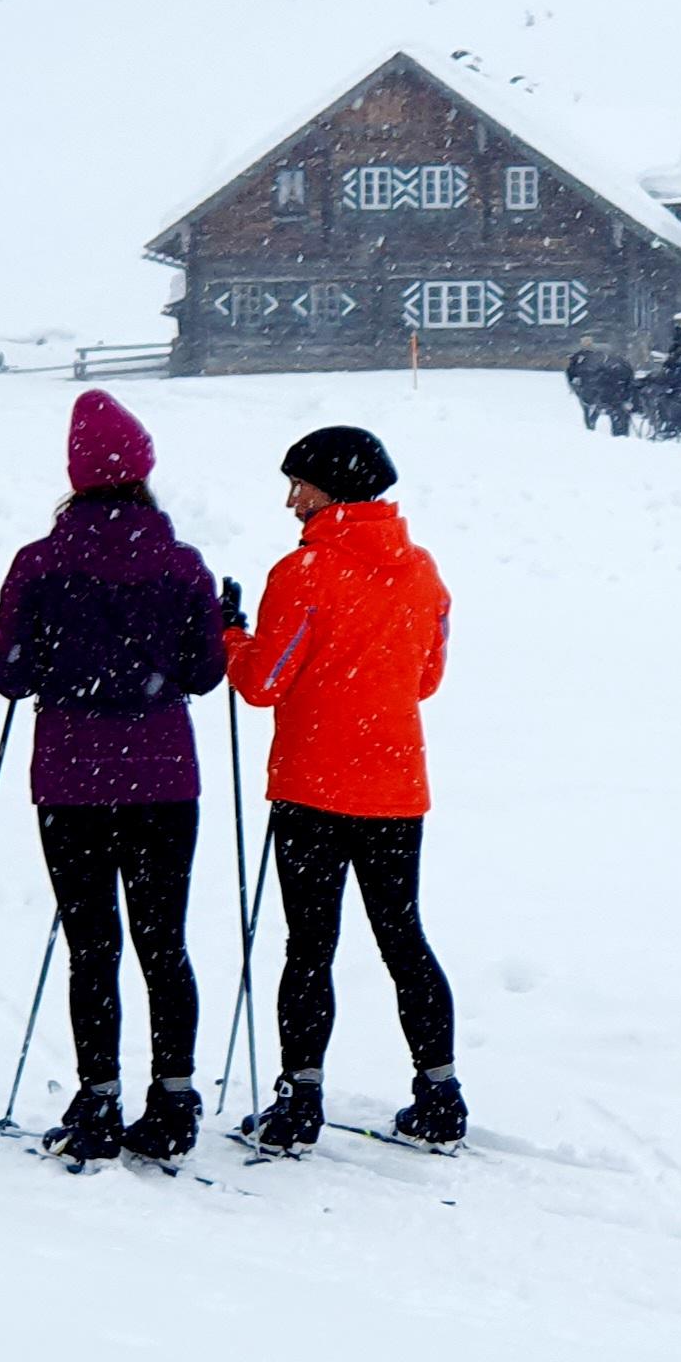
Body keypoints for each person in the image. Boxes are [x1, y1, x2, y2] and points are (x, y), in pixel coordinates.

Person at [0, 391, 228, 1164]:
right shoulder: (181, 564)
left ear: (76, 476)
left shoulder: (40, 563)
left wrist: (57, 660)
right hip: (164, 777)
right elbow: (203, 672)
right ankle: (175, 1099)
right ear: (143, 471)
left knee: (92, 946)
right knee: (165, 944)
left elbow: (8, 674)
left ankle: (98, 1101)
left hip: (72, 778)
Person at [222, 426, 463, 1151]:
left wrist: (230, 636)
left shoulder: (304, 572)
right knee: (403, 939)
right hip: (394, 785)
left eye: (299, 486)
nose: (291, 502)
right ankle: (441, 1094)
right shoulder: (422, 570)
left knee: (309, 947)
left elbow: (264, 683)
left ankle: (299, 1103)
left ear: (332, 490)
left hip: (312, 788)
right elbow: (426, 677)